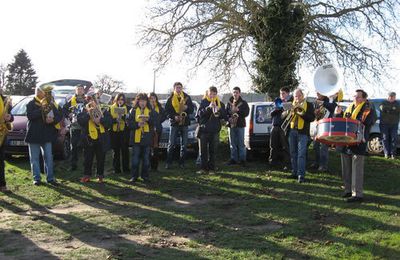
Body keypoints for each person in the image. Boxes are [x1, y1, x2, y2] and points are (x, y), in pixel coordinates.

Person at [335, 89, 376, 202]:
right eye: (354, 96)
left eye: (358, 97)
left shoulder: (368, 109)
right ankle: (348, 190)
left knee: (356, 170)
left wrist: (351, 120)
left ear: (363, 98)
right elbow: (341, 123)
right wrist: (338, 114)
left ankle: (357, 194)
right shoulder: (349, 108)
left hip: (358, 142)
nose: (355, 98)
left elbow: (366, 122)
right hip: (345, 142)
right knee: (346, 168)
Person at [25, 84, 63, 186]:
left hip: (47, 135)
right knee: (35, 159)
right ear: (37, 92)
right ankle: (36, 179)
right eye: (43, 91)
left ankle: (50, 178)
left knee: (48, 158)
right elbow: (30, 116)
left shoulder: (50, 103)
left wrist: (53, 120)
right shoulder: (31, 103)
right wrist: (41, 109)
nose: (45, 93)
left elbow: (60, 115)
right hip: (34, 135)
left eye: (45, 91)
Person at [78, 90, 112, 183]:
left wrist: (100, 120)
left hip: (101, 137)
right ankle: (86, 176)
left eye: (94, 98)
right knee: (87, 158)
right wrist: (89, 114)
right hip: (88, 138)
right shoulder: (84, 109)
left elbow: (109, 123)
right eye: (90, 98)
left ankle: (100, 176)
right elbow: (80, 121)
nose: (92, 100)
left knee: (101, 158)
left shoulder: (104, 109)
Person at [195, 86, 227, 174]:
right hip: (204, 130)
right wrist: (208, 108)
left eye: (214, 94)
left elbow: (225, 116)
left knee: (213, 151)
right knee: (203, 151)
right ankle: (203, 168)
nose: (212, 95)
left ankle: (212, 169)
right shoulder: (203, 102)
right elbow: (198, 116)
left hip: (215, 130)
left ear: (216, 94)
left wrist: (220, 111)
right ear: (208, 93)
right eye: (211, 94)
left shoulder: (220, 103)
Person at [287, 88, 315, 183]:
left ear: (303, 96)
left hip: (303, 133)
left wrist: (301, 113)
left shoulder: (309, 105)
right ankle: (294, 172)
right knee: (293, 153)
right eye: (295, 96)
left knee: (301, 155)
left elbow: (312, 118)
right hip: (292, 131)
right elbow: (287, 118)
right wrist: (289, 112)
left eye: (299, 95)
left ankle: (301, 175)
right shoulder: (292, 104)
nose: (297, 97)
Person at [164, 82, 194, 169]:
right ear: (174, 88)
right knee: (171, 144)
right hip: (174, 123)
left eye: (180, 87)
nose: (178, 89)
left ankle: (182, 163)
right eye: (177, 88)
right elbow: (167, 111)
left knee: (184, 145)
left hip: (184, 123)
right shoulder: (170, 98)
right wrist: (174, 117)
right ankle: (168, 163)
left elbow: (191, 109)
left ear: (182, 88)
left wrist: (187, 108)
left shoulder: (187, 97)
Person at [128, 93, 156, 183]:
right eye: (141, 101)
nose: (142, 103)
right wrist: (137, 124)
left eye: (144, 101)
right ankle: (134, 176)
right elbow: (128, 124)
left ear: (146, 101)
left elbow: (155, 122)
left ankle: (145, 176)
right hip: (136, 139)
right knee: (135, 159)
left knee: (146, 159)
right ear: (138, 101)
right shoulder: (133, 110)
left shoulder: (151, 110)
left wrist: (149, 120)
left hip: (147, 138)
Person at [311, 92, 337, 172]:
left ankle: (323, 166)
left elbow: (333, 107)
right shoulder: (316, 101)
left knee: (323, 147)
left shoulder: (329, 100)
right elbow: (313, 112)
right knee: (315, 145)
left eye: (319, 93)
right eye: (317, 92)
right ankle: (316, 162)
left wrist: (323, 103)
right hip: (317, 124)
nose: (317, 94)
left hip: (326, 126)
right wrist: (315, 112)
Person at [63, 84, 86, 171]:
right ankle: (73, 165)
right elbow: (64, 109)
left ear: (83, 91)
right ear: (75, 91)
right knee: (74, 146)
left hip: (85, 126)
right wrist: (68, 114)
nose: (79, 91)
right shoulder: (71, 100)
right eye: (78, 89)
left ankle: (86, 164)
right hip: (74, 126)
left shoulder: (87, 100)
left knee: (86, 145)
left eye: (81, 89)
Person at [226, 87, 249, 166]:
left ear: (239, 93)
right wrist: (229, 118)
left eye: (236, 92)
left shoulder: (244, 103)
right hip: (231, 125)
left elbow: (246, 113)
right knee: (232, 143)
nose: (235, 94)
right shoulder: (229, 103)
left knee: (241, 143)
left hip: (240, 125)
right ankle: (234, 159)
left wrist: (239, 111)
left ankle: (242, 160)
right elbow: (225, 113)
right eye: (234, 92)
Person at [269, 87, 291, 168]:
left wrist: (286, 106)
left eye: (283, 93)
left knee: (285, 146)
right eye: (281, 93)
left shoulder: (290, 103)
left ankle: (287, 164)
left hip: (284, 127)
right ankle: (272, 162)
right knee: (273, 146)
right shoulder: (277, 102)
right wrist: (280, 107)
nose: (282, 95)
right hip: (275, 126)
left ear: (288, 94)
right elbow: (271, 113)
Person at [110, 93, 130, 174]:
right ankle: (116, 169)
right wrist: (115, 120)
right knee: (116, 151)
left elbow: (130, 119)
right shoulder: (111, 108)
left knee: (125, 150)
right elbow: (108, 120)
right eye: (119, 99)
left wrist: (124, 117)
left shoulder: (128, 108)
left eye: (122, 99)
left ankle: (126, 168)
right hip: (114, 132)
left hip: (124, 131)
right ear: (116, 100)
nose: (120, 101)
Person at [379, 92, 400, 159]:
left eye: (393, 96)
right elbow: (382, 108)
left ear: (395, 97)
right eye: (390, 96)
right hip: (384, 124)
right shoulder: (383, 102)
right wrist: (392, 109)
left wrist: (389, 110)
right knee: (385, 138)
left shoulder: (398, 104)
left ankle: (393, 154)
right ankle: (386, 153)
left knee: (394, 138)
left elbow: (397, 110)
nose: (391, 97)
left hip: (394, 124)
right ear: (388, 96)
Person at [0, 91, 14, 192]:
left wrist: (9, 117)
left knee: (1, 161)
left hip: (2, 133)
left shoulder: (4, 100)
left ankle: (2, 184)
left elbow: (11, 115)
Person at [149, 92, 166, 171]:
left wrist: (158, 121)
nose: (152, 100)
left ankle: (155, 167)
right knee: (149, 148)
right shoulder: (147, 107)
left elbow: (164, 116)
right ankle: (148, 165)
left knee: (156, 148)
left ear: (156, 98)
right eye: (150, 98)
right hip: (149, 130)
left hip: (158, 129)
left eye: (154, 98)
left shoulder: (159, 107)